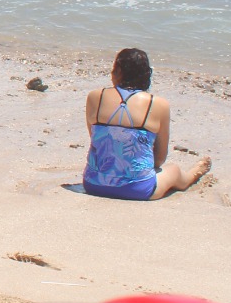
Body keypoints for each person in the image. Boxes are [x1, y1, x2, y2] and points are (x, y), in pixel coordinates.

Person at [83, 48, 212, 200]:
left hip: (94, 183)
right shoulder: (158, 104)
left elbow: (97, 141)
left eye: (113, 69)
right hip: (138, 189)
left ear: (118, 71)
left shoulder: (95, 97)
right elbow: (159, 158)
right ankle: (193, 173)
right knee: (173, 170)